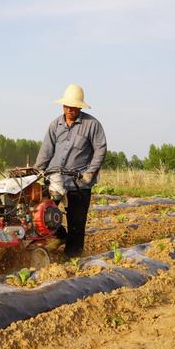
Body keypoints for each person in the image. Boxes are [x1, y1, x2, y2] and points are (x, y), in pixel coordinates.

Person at [34, 84, 107, 257]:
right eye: (67, 106)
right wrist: (36, 170)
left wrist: (91, 171)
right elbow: (46, 150)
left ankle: (72, 258)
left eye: (73, 107)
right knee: (41, 215)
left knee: (77, 222)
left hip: (79, 182)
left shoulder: (92, 125)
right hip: (55, 179)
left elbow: (100, 149)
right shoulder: (55, 125)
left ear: (80, 106)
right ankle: (59, 237)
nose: (69, 109)